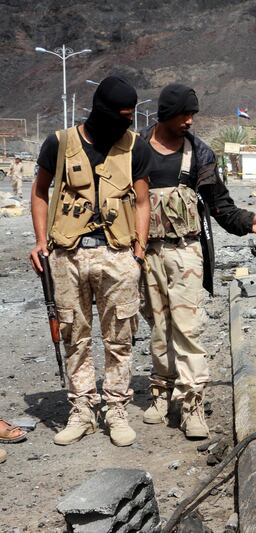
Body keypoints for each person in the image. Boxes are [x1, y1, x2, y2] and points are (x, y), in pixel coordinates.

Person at [139, 83, 256, 439]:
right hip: (145, 253)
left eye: (193, 114)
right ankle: (160, 393)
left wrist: (248, 221)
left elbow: (218, 203)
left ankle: (191, 405)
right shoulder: (135, 150)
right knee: (158, 328)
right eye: (184, 114)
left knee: (188, 329)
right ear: (166, 114)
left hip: (186, 251)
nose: (189, 120)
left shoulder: (198, 153)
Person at [29, 76, 151, 447]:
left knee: (120, 338)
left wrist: (140, 249)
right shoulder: (60, 142)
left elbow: (143, 201)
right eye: (120, 115)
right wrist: (39, 242)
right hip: (68, 254)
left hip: (118, 254)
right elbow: (40, 191)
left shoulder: (135, 147)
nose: (125, 122)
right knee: (74, 336)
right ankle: (82, 410)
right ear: (100, 110)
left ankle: (115, 409)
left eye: (130, 116)